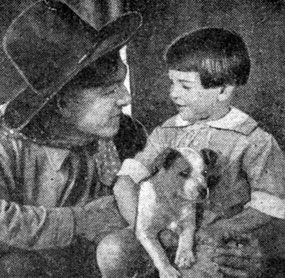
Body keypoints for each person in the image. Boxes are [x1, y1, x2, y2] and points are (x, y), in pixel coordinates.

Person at [97, 28, 285, 277]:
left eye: (185, 86)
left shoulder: (254, 141)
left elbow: (270, 206)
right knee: (113, 250)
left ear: (223, 91)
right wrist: (144, 227)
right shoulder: (166, 132)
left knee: (203, 266)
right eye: (172, 82)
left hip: (214, 235)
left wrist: (221, 229)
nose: (173, 93)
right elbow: (125, 182)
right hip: (163, 232)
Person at [0, 1, 146, 277]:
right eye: (108, 92)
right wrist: (78, 222)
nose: (125, 99)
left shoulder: (126, 134)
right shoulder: (7, 145)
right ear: (62, 103)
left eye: (122, 85)